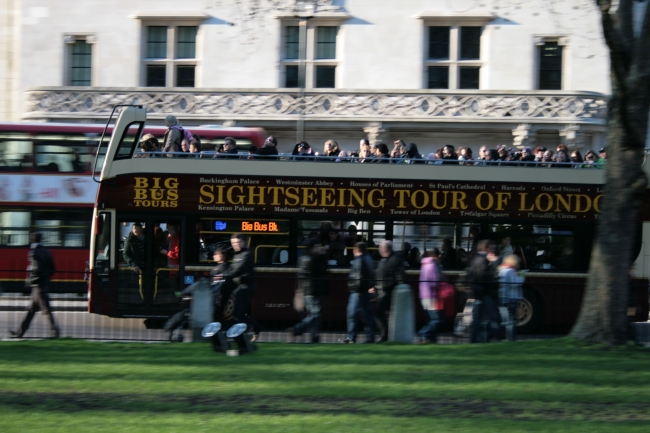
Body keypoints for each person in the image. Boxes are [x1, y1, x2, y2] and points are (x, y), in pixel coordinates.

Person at [9, 232, 59, 339]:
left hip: (38, 286)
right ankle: (19, 333)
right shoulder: (47, 252)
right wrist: (46, 278)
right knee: (31, 311)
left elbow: (35, 269)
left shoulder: (33, 252)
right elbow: (53, 268)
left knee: (46, 310)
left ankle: (55, 332)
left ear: (32, 240)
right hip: (43, 284)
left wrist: (33, 279)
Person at [219, 234, 263, 340]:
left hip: (246, 286)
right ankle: (251, 329)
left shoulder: (247, 254)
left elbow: (239, 269)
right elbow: (232, 268)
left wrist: (225, 275)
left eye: (238, 242)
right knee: (237, 313)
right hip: (239, 286)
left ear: (243, 242)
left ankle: (247, 331)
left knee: (238, 313)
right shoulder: (237, 255)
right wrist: (225, 274)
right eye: (233, 243)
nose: (235, 245)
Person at [288, 238, 329, 343]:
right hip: (313, 290)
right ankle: (297, 329)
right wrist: (323, 254)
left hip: (306, 291)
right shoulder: (313, 259)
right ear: (311, 248)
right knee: (316, 316)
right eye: (316, 246)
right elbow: (324, 269)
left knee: (313, 316)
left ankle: (314, 337)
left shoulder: (302, 258)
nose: (318, 248)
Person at [465, 239, 499, 343]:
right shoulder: (484, 260)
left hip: (476, 291)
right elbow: (483, 276)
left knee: (479, 317)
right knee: (487, 316)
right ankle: (482, 338)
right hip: (483, 292)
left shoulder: (475, 259)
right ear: (487, 248)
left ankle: (477, 338)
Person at [372, 240, 405, 343]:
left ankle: (384, 335)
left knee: (379, 312)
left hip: (388, 291)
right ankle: (386, 334)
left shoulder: (392, 259)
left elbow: (399, 276)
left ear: (385, 249)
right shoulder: (387, 259)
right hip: (384, 290)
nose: (379, 250)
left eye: (380, 248)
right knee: (383, 313)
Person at [343, 242, 376, 343]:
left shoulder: (358, 260)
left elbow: (358, 277)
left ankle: (351, 336)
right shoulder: (368, 258)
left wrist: (358, 290)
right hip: (364, 290)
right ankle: (370, 336)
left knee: (352, 314)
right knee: (366, 314)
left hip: (357, 291)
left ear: (356, 250)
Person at [417, 250, 442, 344]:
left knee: (430, 318)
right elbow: (435, 282)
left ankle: (432, 339)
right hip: (431, 295)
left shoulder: (424, 265)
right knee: (436, 319)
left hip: (423, 295)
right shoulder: (433, 265)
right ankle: (423, 333)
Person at [498, 255, 524, 342]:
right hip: (511, 297)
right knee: (511, 320)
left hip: (502, 297)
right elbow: (515, 283)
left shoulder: (500, 270)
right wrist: (522, 277)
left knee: (504, 319)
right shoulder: (511, 271)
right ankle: (510, 338)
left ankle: (502, 337)